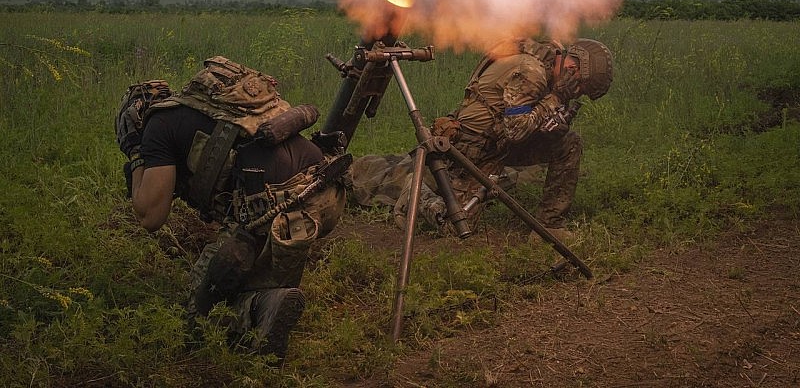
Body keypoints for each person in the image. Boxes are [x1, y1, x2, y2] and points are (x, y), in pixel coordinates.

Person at [115, 56, 348, 363]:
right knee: (250, 261)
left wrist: (137, 154)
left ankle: (262, 306)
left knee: (197, 314)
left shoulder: (158, 126)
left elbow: (150, 216)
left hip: (273, 208)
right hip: (326, 193)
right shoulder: (208, 107)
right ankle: (270, 285)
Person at [350, 37, 612, 241]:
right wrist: (555, 99)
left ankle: (550, 225)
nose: (576, 93)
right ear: (572, 68)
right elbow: (516, 130)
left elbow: (519, 127)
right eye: (579, 87)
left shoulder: (546, 63)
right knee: (457, 225)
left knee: (569, 144)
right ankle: (415, 195)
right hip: (472, 148)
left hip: (500, 144)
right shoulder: (532, 72)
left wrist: (554, 126)